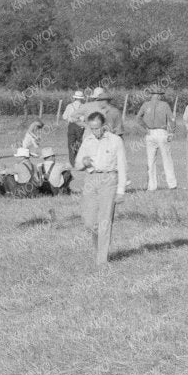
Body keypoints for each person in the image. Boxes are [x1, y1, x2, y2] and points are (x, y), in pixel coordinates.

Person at [74, 107, 124, 264]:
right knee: (89, 221)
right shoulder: (87, 141)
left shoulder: (116, 141)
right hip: (91, 180)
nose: (95, 131)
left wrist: (121, 190)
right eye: (92, 128)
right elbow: (77, 164)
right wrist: (83, 162)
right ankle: (98, 249)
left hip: (109, 179)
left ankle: (102, 260)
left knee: (105, 220)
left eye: (97, 128)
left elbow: (122, 166)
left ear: (104, 125)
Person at [138, 87, 178, 189]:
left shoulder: (145, 105)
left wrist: (145, 128)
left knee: (151, 161)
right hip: (162, 132)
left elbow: (138, 118)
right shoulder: (164, 105)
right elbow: (172, 119)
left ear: (151, 94)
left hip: (150, 133)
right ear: (159, 95)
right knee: (167, 159)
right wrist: (172, 132)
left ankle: (151, 186)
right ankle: (172, 184)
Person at [63, 91, 88, 167]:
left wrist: (69, 119)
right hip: (80, 126)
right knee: (80, 144)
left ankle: (72, 163)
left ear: (75, 98)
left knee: (71, 144)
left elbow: (64, 117)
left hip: (71, 126)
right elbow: (86, 118)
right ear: (81, 98)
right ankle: (79, 161)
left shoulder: (69, 106)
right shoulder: (84, 106)